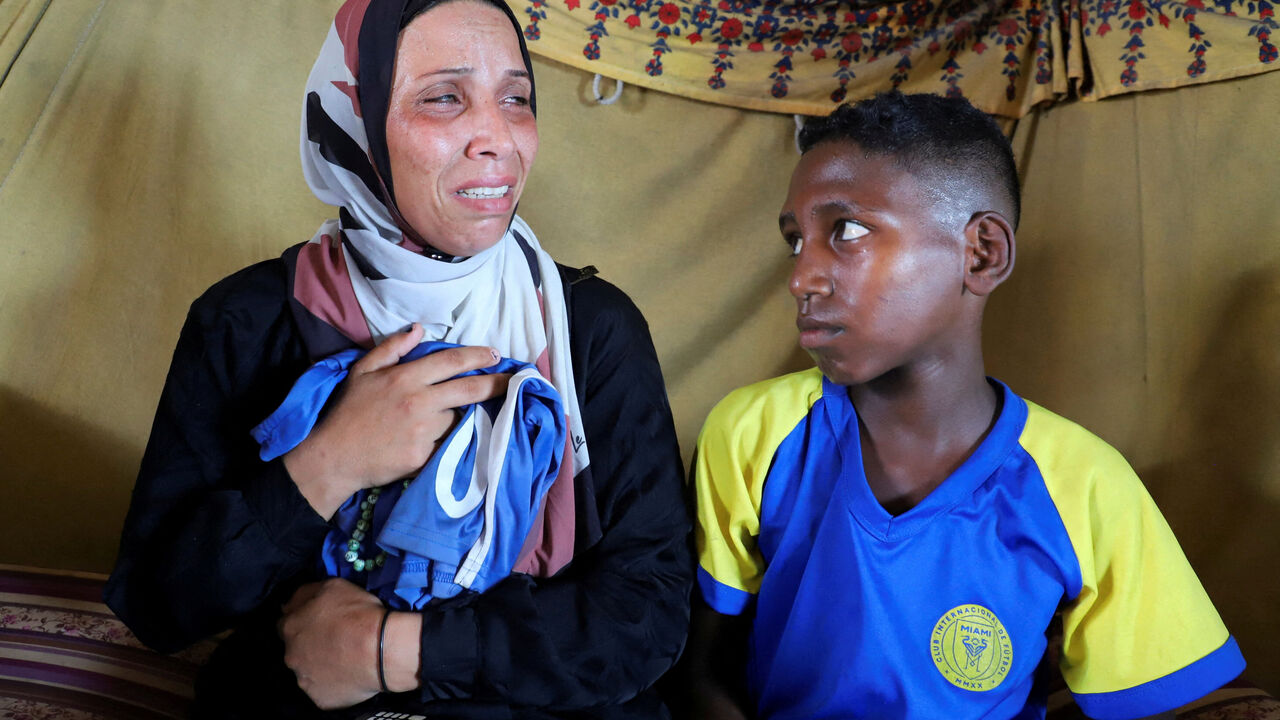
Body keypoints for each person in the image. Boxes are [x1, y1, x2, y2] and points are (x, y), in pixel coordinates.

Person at [103, 0, 691, 717]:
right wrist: (327, 464)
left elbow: (647, 616)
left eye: (516, 98)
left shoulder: (590, 331)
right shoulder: (247, 321)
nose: (498, 138)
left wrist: (395, 651)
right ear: (355, 116)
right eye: (444, 97)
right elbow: (159, 607)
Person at [678, 91, 1245, 719]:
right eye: (795, 240)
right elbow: (705, 669)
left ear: (981, 253)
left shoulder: (1087, 484)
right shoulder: (754, 433)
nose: (801, 276)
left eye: (848, 230)